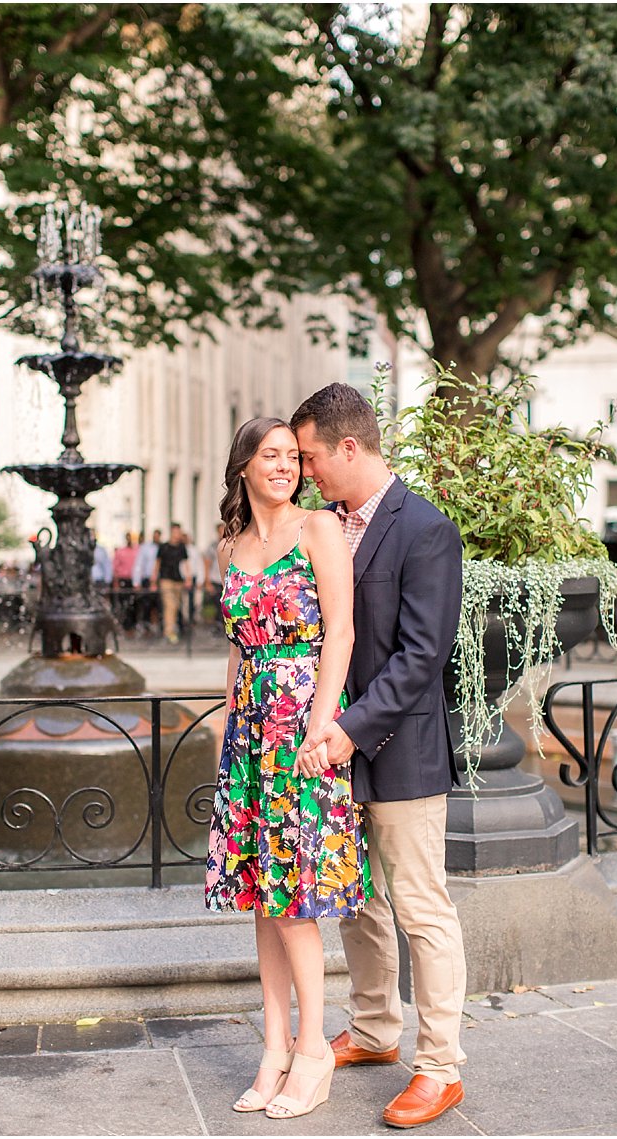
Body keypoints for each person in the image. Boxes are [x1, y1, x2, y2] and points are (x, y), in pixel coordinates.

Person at [293, 382, 468, 1129]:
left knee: (421, 907)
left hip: (398, 749)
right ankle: (372, 1030)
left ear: (349, 447)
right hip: (336, 751)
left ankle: (439, 1066)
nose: (306, 472)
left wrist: (351, 725)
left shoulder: (427, 528)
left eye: (311, 457)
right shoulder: (323, 525)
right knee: (356, 901)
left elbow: (423, 655)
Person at [205, 417, 369, 1121]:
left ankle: (313, 1050)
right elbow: (240, 653)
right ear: (243, 465)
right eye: (269, 456)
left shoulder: (318, 529)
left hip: (302, 722)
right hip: (249, 728)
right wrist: (225, 737)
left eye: (291, 457)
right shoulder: (230, 548)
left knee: (295, 898)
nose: (284, 466)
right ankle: (272, 1047)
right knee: (262, 897)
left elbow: (343, 630)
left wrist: (321, 723)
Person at [155, 524, 192, 644]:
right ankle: (169, 632)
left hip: (178, 580)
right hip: (166, 579)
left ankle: (172, 629)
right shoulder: (164, 547)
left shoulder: (182, 547)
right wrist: (154, 578)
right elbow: (158, 563)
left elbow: (186, 563)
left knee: (175, 606)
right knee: (169, 605)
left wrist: (188, 578)